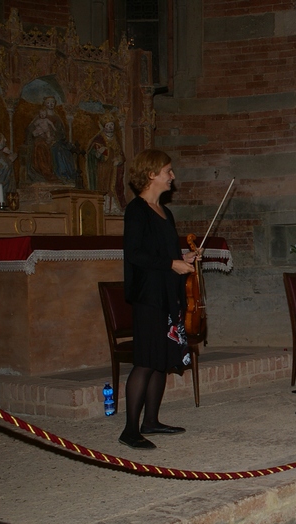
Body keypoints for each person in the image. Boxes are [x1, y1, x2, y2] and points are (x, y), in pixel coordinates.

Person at [119, 149, 198, 450]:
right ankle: (129, 429)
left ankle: (151, 421)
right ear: (151, 174)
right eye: (168, 170)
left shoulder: (166, 212)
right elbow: (135, 254)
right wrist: (170, 264)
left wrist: (184, 257)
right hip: (148, 296)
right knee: (145, 361)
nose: (172, 176)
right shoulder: (136, 210)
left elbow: (166, 254)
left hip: (168, 294)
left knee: (161, 359)